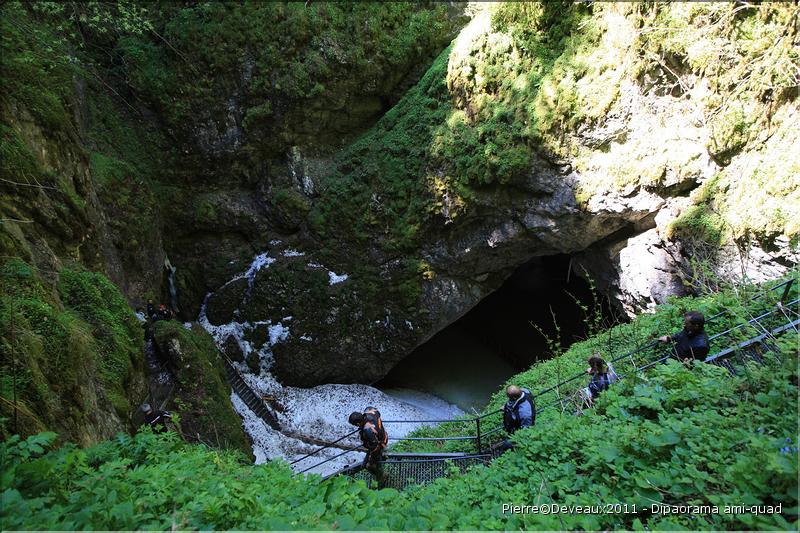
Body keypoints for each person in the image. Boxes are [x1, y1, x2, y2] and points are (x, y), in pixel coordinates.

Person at [348, 407, 388, 486]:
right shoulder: (370, 411)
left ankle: (382, 476)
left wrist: (371, 458)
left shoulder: (368, 430)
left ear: (358, 424)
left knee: (368, 466)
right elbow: (378, 412)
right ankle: (380, 469)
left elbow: (375, 448)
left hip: (381, 443)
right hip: (384, 435)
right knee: (368, 462)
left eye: (355, 425)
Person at [497, 385, 534, 453]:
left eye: (508, 396)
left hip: (517, 430)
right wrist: (506, 406)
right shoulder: (524, 391)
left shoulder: (525, 414)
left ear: (514, 398)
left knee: (506, 445)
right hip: (512, 426)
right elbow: (513, 403)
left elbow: (526, 430)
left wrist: (516, 438)